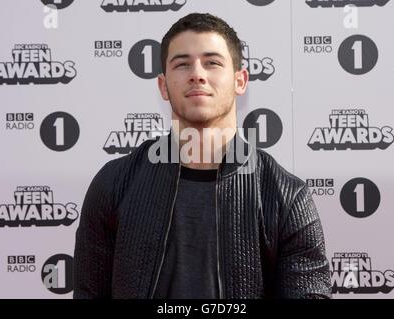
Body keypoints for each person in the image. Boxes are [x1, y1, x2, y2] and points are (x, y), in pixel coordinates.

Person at [73, 13, 331, 299]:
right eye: (182, 64)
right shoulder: (114, 183)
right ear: (163, 86)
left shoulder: (286, 196)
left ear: (240, 81)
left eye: (212, 63)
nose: (197, 74)